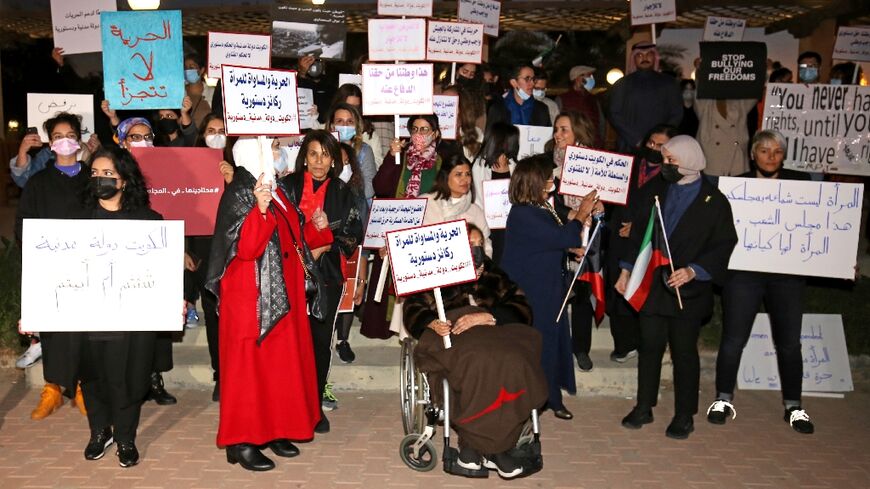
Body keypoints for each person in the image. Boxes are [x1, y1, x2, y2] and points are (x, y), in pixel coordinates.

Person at [206, 137, 327, 471]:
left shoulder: (277, 191)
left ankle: (274, 430)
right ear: (254, 153)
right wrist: (259, 209)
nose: (278, 153)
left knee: (276, 369)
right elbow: (246, 250)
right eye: (272, 148)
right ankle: (241, 441)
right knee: (247, 373)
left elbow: (293, 237)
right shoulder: (241, 192)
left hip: (280, 297)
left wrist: (318, 230)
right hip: (250, 302)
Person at [615, 135, 737, 440]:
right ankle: (644, 406)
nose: (664, 164)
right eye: (665, 159)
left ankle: (685, 415)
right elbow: (640, 234)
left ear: (691, 162)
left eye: (671, 160)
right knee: (649, 345)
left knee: (684, 352)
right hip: (654, 284)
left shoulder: (714, 200)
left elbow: (724, 244)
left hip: (688, 290)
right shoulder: (655, 189)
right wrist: (627, 269)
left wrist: (695, 271)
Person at [404, 224, 547, 479]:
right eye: (469, 244)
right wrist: (431, 322)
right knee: (478, 362)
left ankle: (488, 448)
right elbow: (412, 308)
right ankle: (492, 449)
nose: (474, 250)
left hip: (495, 332)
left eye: (478, 244)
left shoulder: (494, 274)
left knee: (515, 360)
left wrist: (489, 315)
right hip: (453, 335)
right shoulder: (437, 270)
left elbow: (522, 307)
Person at [706, 130, 814, 434]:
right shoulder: (736, 186)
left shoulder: (801, 183)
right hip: (744, 275)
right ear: (753, 154)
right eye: (765, 151)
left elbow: (819, 227)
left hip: (788, 276)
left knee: (790, 344)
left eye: (778, 151)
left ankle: (794, 406)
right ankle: (723, 399)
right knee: (733, 340)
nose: (771, 156)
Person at [76, 146, 167, 467]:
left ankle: (126, 437)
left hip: (131, 317)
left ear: (125, 181)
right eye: (95, 174)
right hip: (88, 313)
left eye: (108, 174)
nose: (100, 179)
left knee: (127, 376)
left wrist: (175, 299)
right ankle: (100, 430)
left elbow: (162, 271)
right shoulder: (75, 221)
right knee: (92, 375)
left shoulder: (149, 221)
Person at [501, 155, 600, 420]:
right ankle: (535, 400)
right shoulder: (522, 213)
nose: (552, 181)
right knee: (539, 345)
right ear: (536, 182)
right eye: (547, 178)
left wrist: (569, 248)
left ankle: (552, 397)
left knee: (554, 342)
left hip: (549, 287)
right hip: (532, 292)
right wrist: (580, 213)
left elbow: (551, 241)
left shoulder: (542, 207)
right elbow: (563, 234)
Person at [283, 130, 363, 433]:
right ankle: (287, 402)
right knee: (287, 341)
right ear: (305, 156)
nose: (318, 161)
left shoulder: (344, 192)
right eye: (313, 153)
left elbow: (352, 236)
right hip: (287, 274)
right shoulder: (287, 186)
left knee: (319, 342)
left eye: (325, 155)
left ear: (333, 160)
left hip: (327, 277)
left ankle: (314, 405)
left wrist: (325, 239)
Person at [15, 113, 92, 420]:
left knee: (85, 329)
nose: (64, 140)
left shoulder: (93, 178)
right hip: (52, 268)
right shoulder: (38, 183)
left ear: (80, 140)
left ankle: (84, 388)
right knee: (54, 330)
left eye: (70, 134)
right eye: (58, 135)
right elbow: (23, 225)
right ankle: (53, 389)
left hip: (88, 268)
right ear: (50, 143)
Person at [362, 114, 450, 340]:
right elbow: (380, 186)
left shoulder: (443, 163)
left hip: (426, 232)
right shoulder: (400, 158)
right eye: (415, 129)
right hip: (395, 228)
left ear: (436, 134)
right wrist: (392, 156)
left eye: (425, 129)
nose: (419, 135)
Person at [114, 117, 178, 405]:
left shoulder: (167, 165)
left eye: (147, 135)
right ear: (122, 141)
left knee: (154, 319)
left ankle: (154, 380)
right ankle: (129, 384)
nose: (141, 141)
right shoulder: (111, 167)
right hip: (119, 251)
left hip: (155, 250)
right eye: (134, 136)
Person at [606, 124, 678, 364]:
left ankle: (640, 340)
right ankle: (623, 343)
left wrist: (636, 228)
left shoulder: (672, 176)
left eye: (660, 146)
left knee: (641, 288)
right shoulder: (629, 165)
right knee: (615, 288)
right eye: (651, 143)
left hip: (647, 241)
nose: (654, 149)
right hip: (618, 234)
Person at [546, 111, 599, 372]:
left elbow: (607, 197)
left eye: (564, 129)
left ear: (578, 131)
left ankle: (581, 348)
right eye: (556, 129)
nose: (558, 134)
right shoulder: (549, 164)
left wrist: (598, 210)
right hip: (558, 234)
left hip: (587, 235)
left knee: (581, 295)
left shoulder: (595, 163)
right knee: (556, 291)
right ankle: (555, 347)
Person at [331, 143, 371, 366]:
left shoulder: (357, 193)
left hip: (351, 256)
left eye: (347, 163)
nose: (343, 167)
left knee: (348, 297)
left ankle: (343, 340)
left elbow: (362, 239)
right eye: (339, 162)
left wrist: (362, 280)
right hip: (325, 256)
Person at [608, 42, 683, 152]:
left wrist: (661, 139)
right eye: (640, 55)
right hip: (629, 145)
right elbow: (614, 114)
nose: (645, 58)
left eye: (649, 54)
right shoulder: (622, 84)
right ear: (634, 59)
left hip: (660, 147)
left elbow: (676, 114)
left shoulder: (669, 83)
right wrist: (636, 139)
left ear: (655, 57)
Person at [421, 153, 492, 255]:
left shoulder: (475, 211)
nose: (465, 179)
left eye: (468, 174)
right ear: (446, 177)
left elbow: (486, 247)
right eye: (458, 174)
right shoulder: (425, 204)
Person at [472, 122, 518, 263]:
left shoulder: (514, 166)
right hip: (489, 226)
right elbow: (479, 199)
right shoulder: (480, 166)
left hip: (510, 226)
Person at [327, 103, 377, 202]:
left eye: (350, 121)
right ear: (332, 126)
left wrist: (345, 197)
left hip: (356, 208)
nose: (345, 125)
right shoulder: (325, 150)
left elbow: (370, 189)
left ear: (356, 126)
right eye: (339, 121)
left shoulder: (364, 151)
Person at [324, 83, 385, 164]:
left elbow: (377, 165)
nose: (353, 111)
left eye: (356, 107)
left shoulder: (370, 135)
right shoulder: (324, 132)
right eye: (348, 106)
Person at [485, 63, 551, 133]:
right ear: (514, 82)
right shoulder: (498, 109)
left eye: (533, 79)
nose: (532, 83)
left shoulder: (542, 109)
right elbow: (490, 139)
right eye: (527, 79)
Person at [557, 66, 604, 147]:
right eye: (587, 76)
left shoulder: (594, 99)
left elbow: (601, 125)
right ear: (577, 78)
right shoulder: (562, 99)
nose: (590, 78)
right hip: (571, 146)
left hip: (594, 146)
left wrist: (600, 143)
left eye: (591, 76)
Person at [183, 54, 215, 128]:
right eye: (185, 68)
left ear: (201, 70)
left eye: (191, 67)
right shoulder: (179, 92)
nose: (187, 70)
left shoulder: (213, 92)